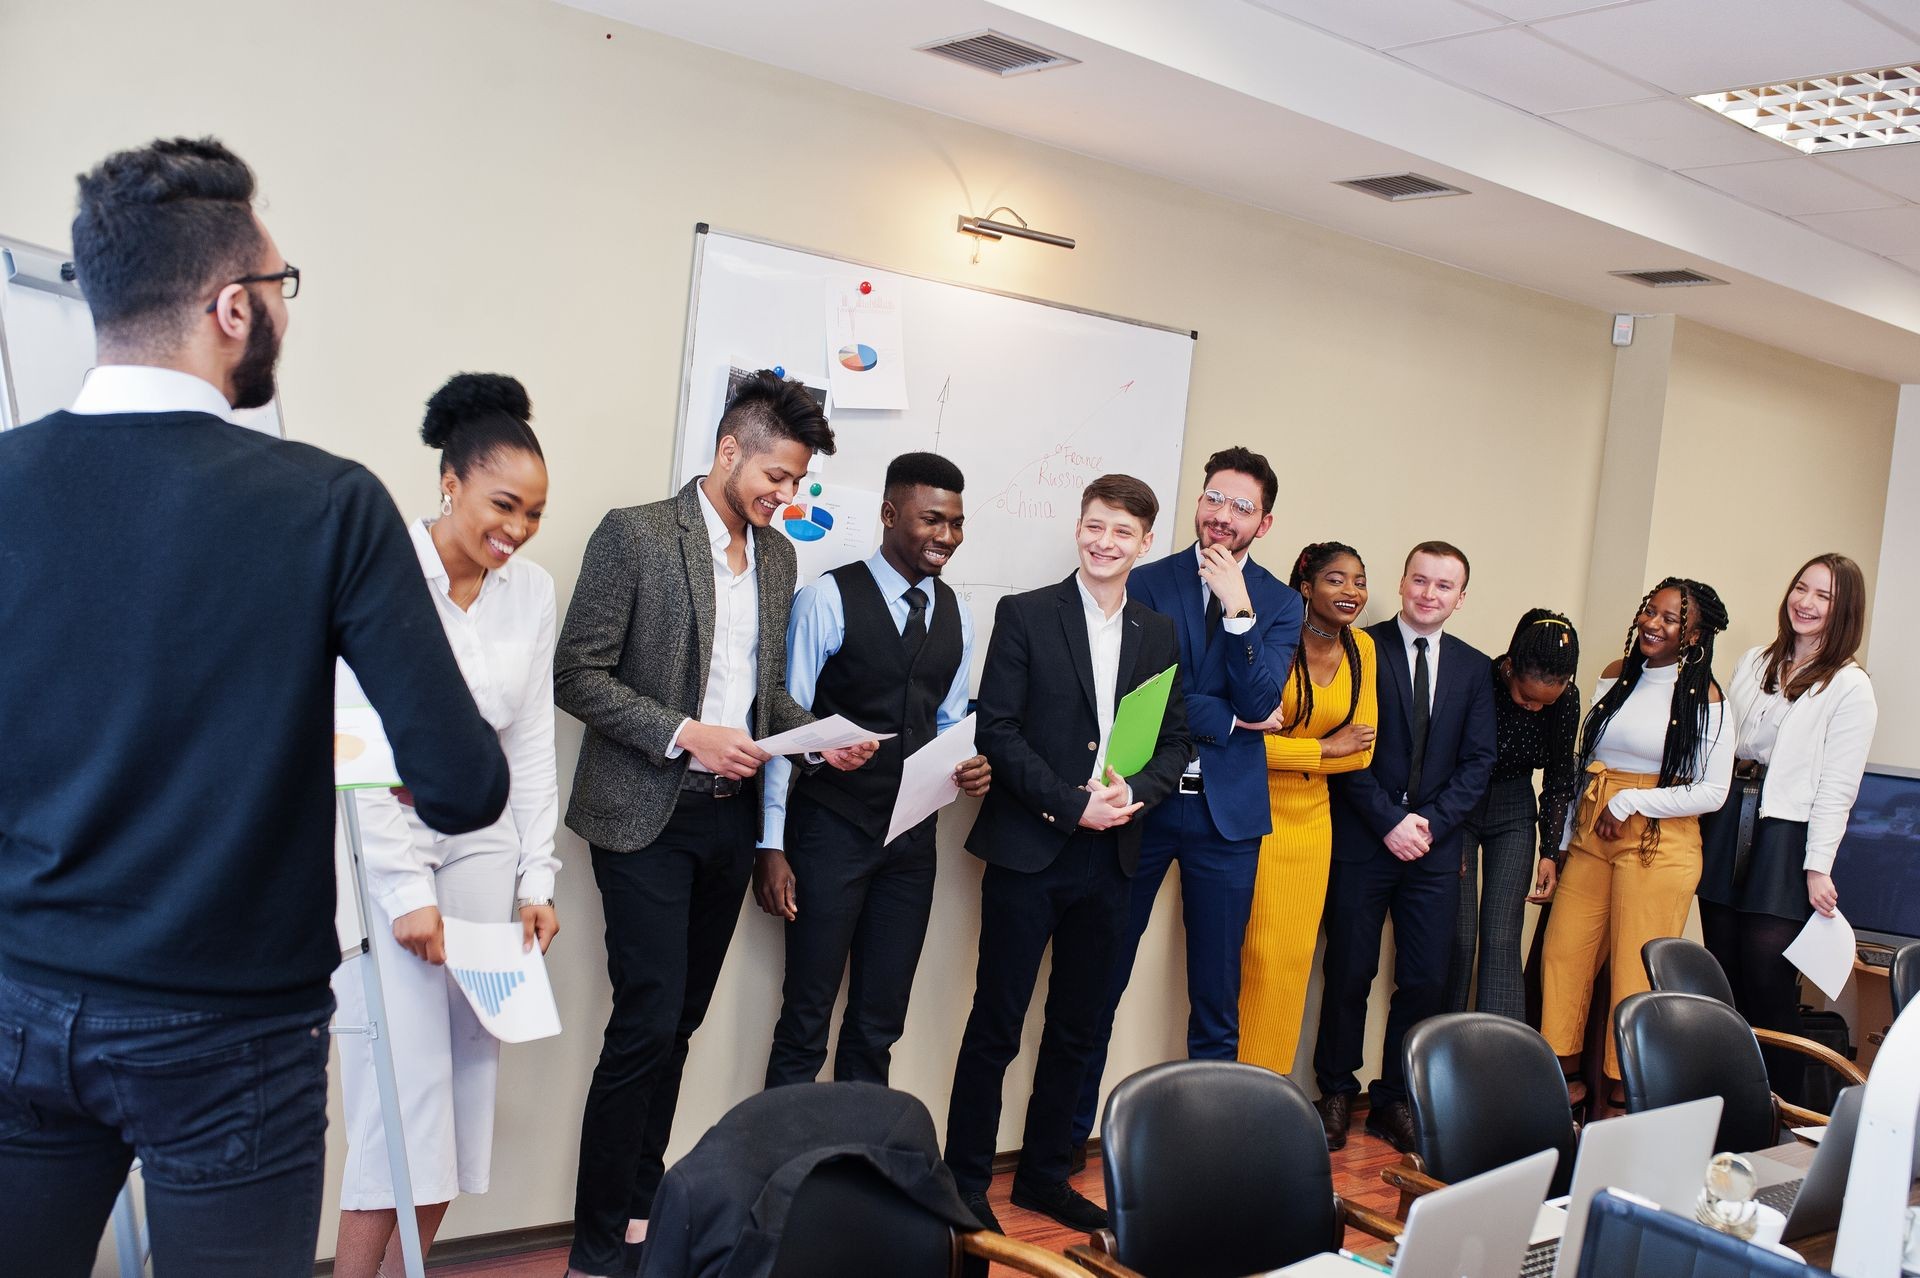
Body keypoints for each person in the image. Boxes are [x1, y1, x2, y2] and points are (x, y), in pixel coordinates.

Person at [0, 137, 507, 1278]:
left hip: (20, 999)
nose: (283, 309)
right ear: (232, 306)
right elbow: (467, 785)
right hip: (228, 1032)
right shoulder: (326, 504)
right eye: (279, 289)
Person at [553, 371, 871, 1278]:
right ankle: (595, 1245)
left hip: (728, 827)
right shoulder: (637, 534)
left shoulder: (777, 559)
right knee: (645, 1023)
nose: (787, 496)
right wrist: (687, 735)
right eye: (777, 476)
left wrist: (815, 740)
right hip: (645, 816)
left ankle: (648, 1208)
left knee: (681, 1022)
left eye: (798, 481)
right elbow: (577, 675)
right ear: (729, 451)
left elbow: (762, 696)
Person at [330, 374, 561, 1278]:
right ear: (450, 482)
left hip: (484, 846)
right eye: (504, 504)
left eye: (536, 513)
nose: (517, 530)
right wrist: (403, 894)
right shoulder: (384, 572)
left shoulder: (529, 591)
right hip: (385, 849)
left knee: (464, 1086)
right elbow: (356, 745)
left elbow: (532, 739)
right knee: (397, 1094)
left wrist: (535, 881)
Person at [944, 475, 1191, 1235]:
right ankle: (965, 1183)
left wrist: (1135, 796)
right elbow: (999, 731)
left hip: (1114, 857)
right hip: (1031, 850)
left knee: (1081, 1026)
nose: (1104, 542)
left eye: (1122, 532)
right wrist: (1070, 802)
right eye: (1094, 526)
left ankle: (1046, 1176)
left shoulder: (1159, 631)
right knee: (998, 1022)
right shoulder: (1025, 614)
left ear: (1145, 543)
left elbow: (1176, 741)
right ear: (1078, 528)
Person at [1071, 446, 1301, 1153]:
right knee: (1100, 976)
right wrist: (1230, 719)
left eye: (1241, 507)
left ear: (1264, 523)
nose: (1222, 516)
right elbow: (1144, 694)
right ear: (1197, 502)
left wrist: (1238, 610)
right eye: (1214, 499)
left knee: (1216, 994)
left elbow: (1267, 697)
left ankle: (1209, 1152)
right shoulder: (1145, 578)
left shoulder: (1280, 602)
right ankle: (1067, 1138)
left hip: (1226, 816)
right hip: (1142, 802)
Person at [755, 452, 991, 1088]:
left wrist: (969, 764)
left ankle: (855, 1179)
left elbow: (944, 722)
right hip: (829, 831)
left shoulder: (958, 613)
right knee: (804, 1021)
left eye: (957, 523)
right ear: (890, 515)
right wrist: (771, 844)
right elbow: (784, 725)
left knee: (879, 1024)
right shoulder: (827, 599)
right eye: (931, 520)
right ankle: (781, 1177)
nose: (947, 537)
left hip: (911, 846)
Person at [1313, 542, 1496, 1153]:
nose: (1429, 594)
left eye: (1444, 586)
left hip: (1435, 854)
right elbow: (1344, 743)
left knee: (1424, 980)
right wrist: (1390, 820)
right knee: (1348, 972)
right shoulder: (1361, 649)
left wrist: (1429, 824)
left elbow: (1478, 762)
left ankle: (1393, 1099)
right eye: (1421, 581)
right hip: (1365, 840)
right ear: (1403, 582)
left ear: (1460, 598)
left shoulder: (1475, 669)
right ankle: (1336, 1091)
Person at [1540, 578, 1732, 1116]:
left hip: (1657, 840)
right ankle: (1565, 1083)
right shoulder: (1613, 676)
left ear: (1694, 635)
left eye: (1671, 618)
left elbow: (1713, 791)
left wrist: (1631, 805)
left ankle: (1625, 1098)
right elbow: (1585, 768)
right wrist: (1555, 846)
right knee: (1563, 953)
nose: (1653, 622)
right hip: (1593, 830)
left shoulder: (1707, 698)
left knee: (1633, 970)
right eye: (1651, 610)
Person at [1698, 555, 1875, 1099]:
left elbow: (1837, 788)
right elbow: (1719, 744)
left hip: (1786, 836)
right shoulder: (1754, 662)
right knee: (1723, 980)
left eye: (1822, 595)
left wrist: (1817, 866)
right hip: (1729, 820)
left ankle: (1785, 1118)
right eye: (1802, 588)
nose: (1806, 602)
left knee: (1768, 984)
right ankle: (1730, 1107)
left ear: (1842, 608)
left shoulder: (1850, 687)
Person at [1236, 542, 1378, 1074]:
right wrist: (1321, 749)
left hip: (1313, 820)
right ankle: (1232, 1091)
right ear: (1306, 587)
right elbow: (1241, 745)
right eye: (1336, 580)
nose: (1351, 592)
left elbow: (1361, 751)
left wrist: (1302, 753)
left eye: (1359, 581)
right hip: (1255, 814)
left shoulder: (1362, 649)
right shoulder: (1276, 635)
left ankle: (1268, 1095)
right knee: (1259, 958)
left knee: (1294, 961)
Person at [1444, 609, 1582, 1022]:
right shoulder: (1478, 680)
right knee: (1459, 937)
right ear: (1511, 668)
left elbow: (1559, 777)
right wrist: (1446, 833)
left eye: (1547, 702)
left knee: (1503, 937)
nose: (1536, 708)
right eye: (1527, 698)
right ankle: (1437, 1052)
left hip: (1515, 807)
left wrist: (1550, 853)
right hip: (1461, 804)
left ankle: (1501, 1062)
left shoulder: (1566, 700)